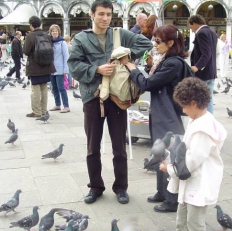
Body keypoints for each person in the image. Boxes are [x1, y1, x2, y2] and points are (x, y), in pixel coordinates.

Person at [67, 0, 153, 205]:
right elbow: (74, 66)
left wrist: (125, 57)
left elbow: (146, 43)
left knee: (119, 147)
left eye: (108, 14)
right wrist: (97, 69)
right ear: (92, 15)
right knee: (92, 147)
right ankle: (95, 187)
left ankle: (121, 187)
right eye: (101, 14)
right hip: (92, 97)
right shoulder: (81, 39)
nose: (105, 18)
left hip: (117, 98)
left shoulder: (119, 34)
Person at [161, 77, 227, 231]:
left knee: (194, 222)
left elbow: (191, 162)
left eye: (184, 106)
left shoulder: (202, 129)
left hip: (199, 181)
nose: (183, 110)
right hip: (191, 182)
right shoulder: (198, 120)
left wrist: (169, 169)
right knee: (182, 219)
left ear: (194, 103)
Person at [125, 24, 193, 213]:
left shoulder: (173, 63)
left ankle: (171, 200)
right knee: (160, 154)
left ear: (170, 42)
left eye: (158, 41)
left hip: (167, 115)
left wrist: (132, 67)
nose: (154, 44)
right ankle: (162, 192)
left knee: (169, 157)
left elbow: (147, 84)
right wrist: (149, 66)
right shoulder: (170, 60)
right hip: (162, 112)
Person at [23, 16, 56, 118]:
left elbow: (26, 51)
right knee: (44, 88)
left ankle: (37, 111)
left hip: (35, 67)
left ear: (31, 25)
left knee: (35, 89)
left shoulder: (30, 36)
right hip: (47, 66)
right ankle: (43, 110)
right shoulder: (46, 35)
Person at [188, 14, 217, 114]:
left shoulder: (201, 33)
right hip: (211, 71)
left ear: (195, 23)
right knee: (208, 99)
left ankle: (206, 122)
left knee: (202, 100)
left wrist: (197, 66)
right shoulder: (212, 33)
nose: (192, 30)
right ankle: (209, 121)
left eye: (191, 27)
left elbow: (206, 53)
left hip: (203, 72)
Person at [49, 24, 70, 113]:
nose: (54, 32)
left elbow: (66, 56)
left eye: (56, 31)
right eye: (53, 31)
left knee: (61, 87)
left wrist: (65, 70)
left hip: (60, 68)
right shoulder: (49, 42)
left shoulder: (62, 43)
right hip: (51, 69)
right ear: (50, 32)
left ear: (59, 32)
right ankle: (57, 104)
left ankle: (66, 106)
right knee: (54, 88)